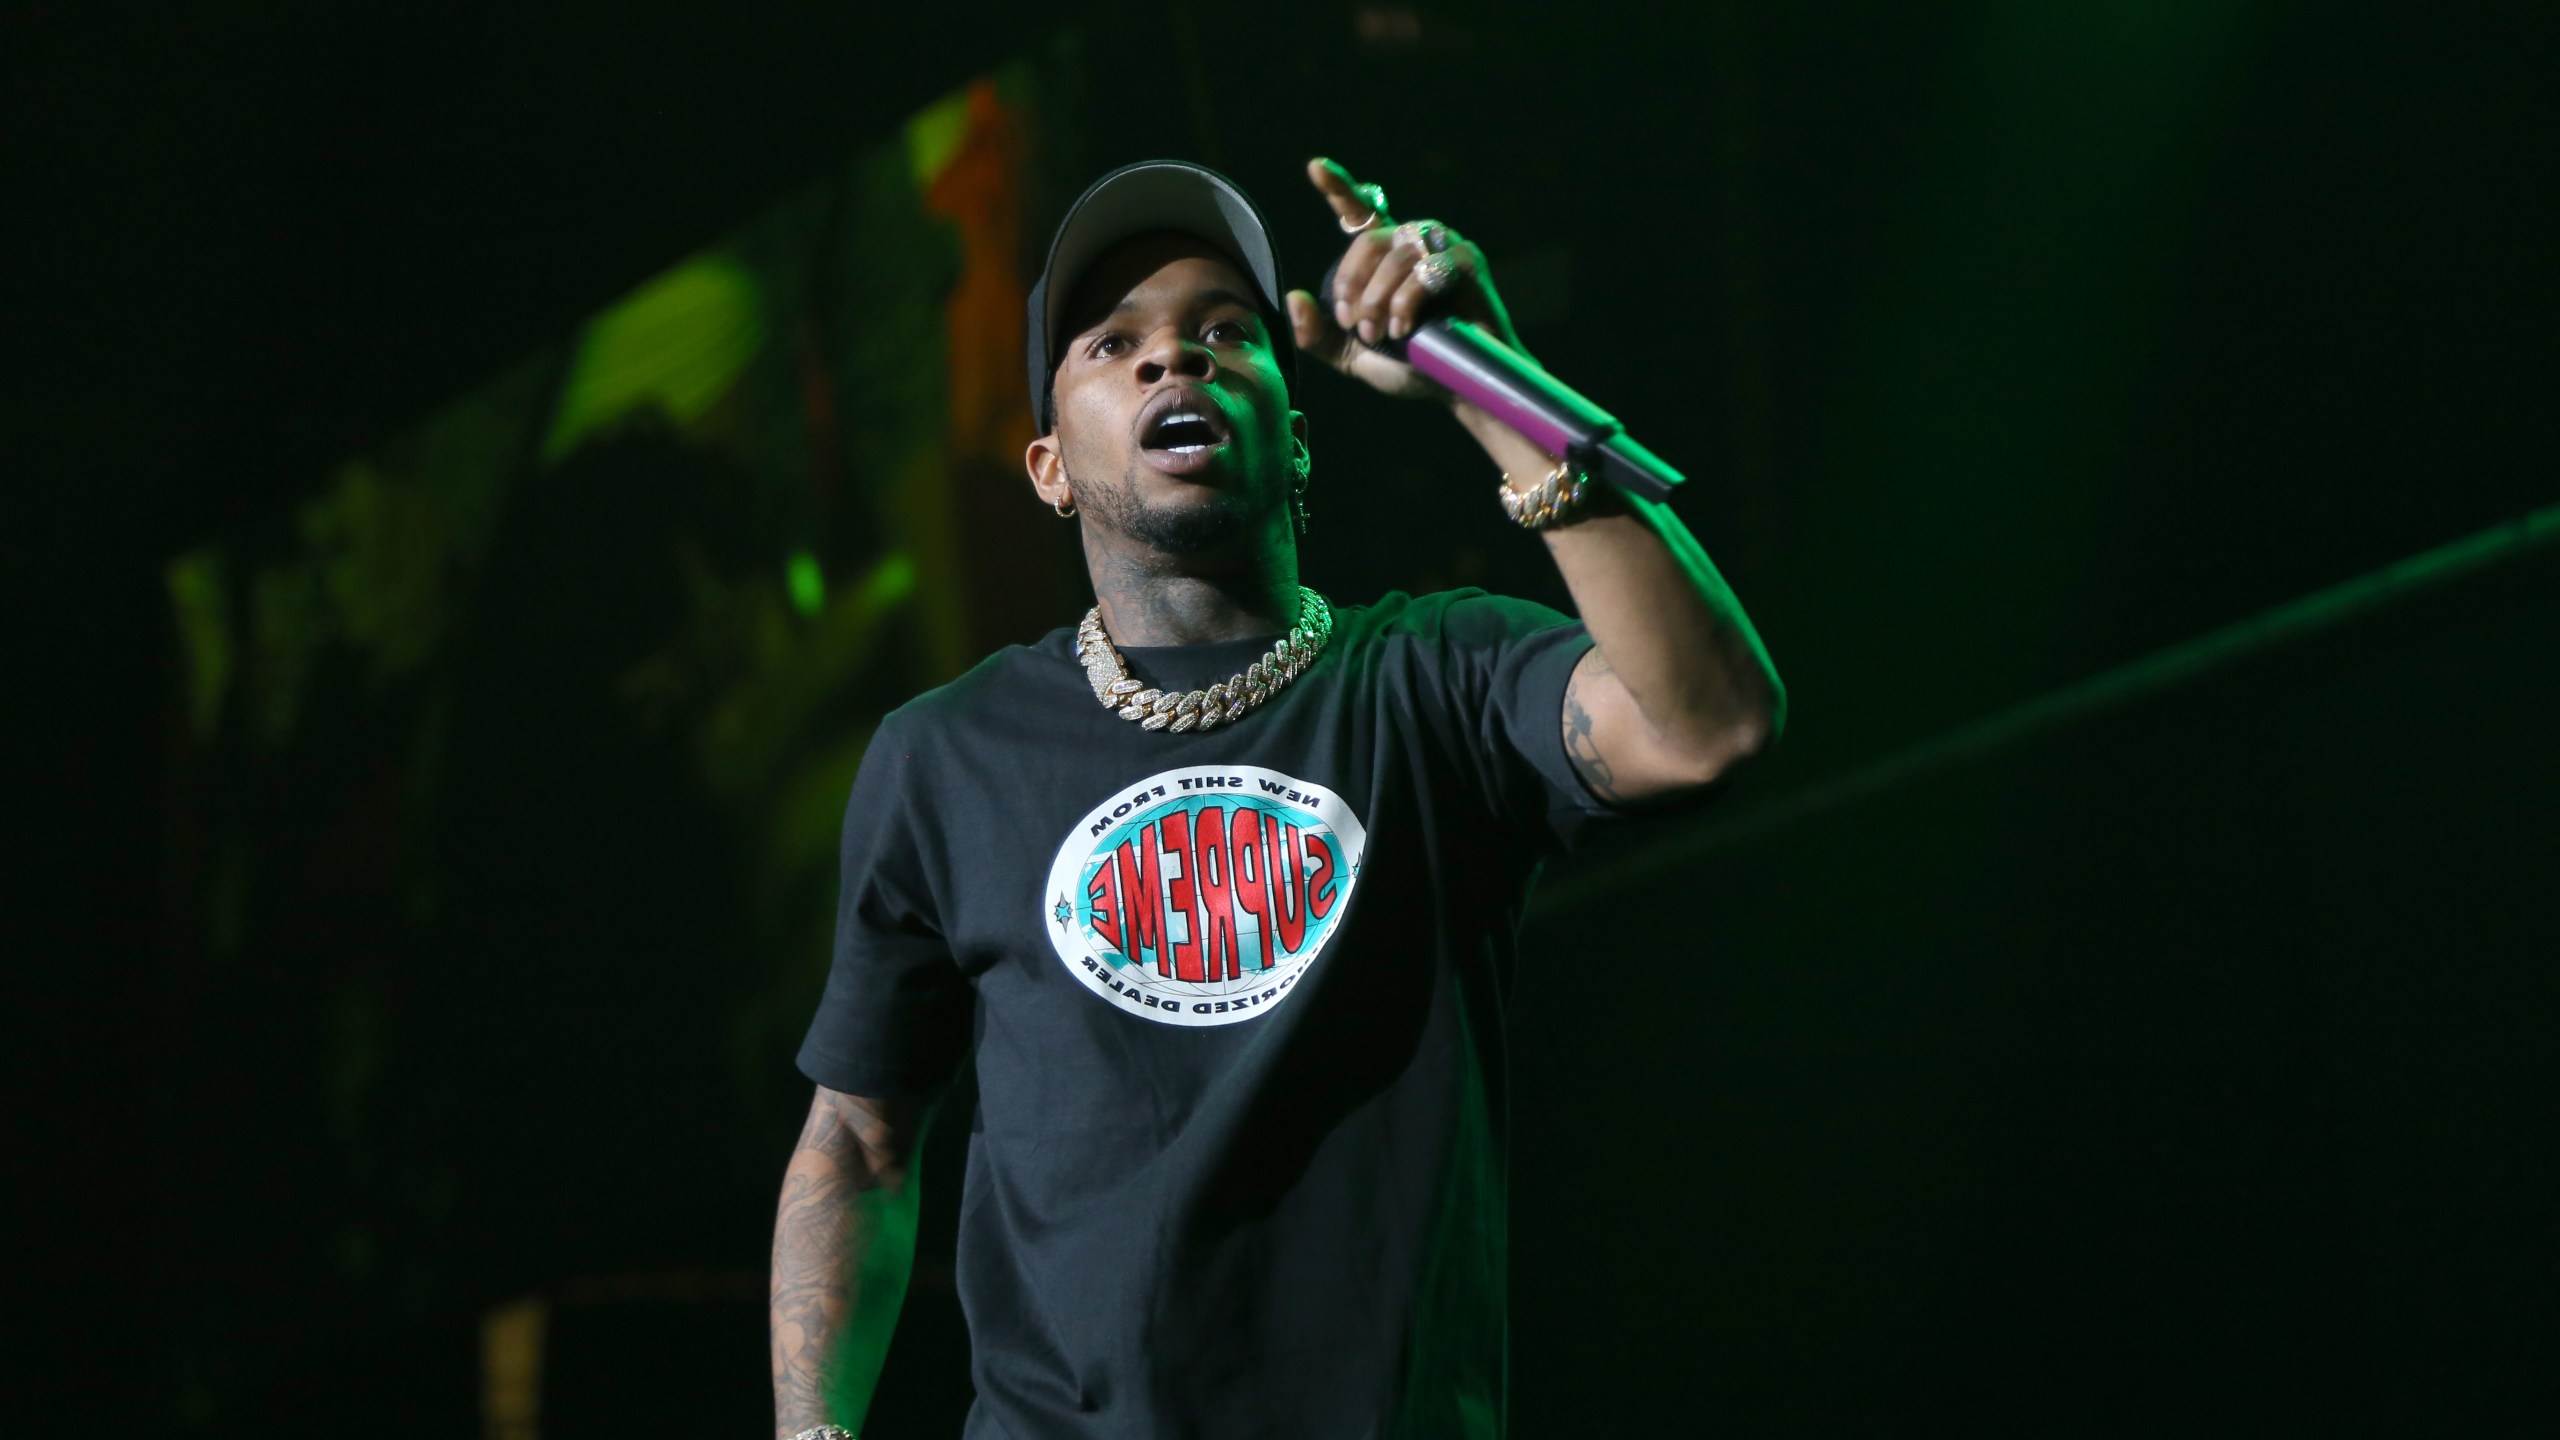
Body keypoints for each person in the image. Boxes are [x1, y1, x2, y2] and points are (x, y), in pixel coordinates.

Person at [769, 156, 1783, 1440]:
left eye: (1225, 333)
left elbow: (1712, 726)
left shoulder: (1441, 676)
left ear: (1295, 437)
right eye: (1111, 344)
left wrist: (1487, 380)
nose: (1171, 361)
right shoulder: (945, 754)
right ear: (1045, 466)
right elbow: (856, 1140)